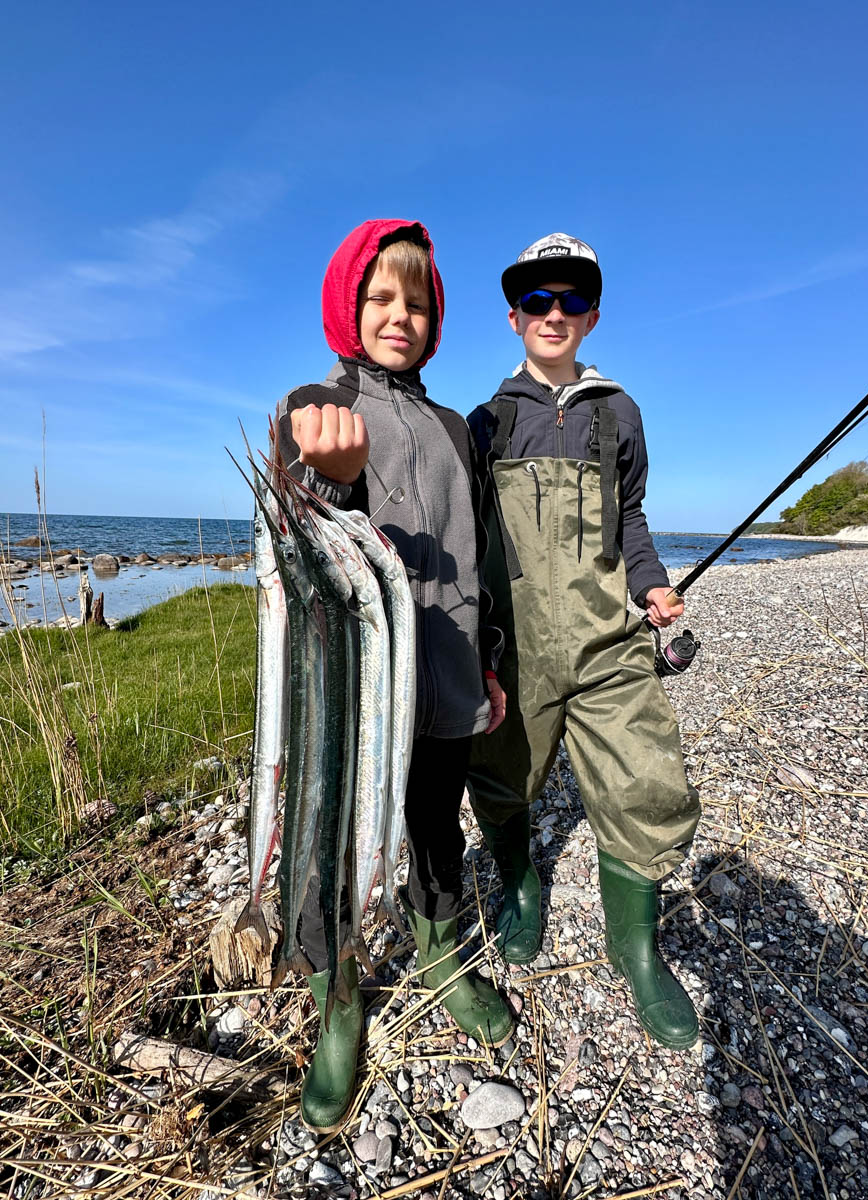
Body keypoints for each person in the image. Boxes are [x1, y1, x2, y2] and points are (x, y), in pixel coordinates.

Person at [276, 218, 512, 1133]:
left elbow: (480, 551)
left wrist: (490, 659)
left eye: (417, 301)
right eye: (380, 297)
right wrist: (329, 479)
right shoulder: (315, 402)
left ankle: (440, 947)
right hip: (354, 690)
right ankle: (339, 999)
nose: (399, 315)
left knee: (437, 823)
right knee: (336, 842)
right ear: (348, 305)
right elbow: (298, 544)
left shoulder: (455, 428)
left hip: (449, 671)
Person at [467, 233, 701, 1049]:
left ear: (593, 314)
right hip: (517, 646)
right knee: (502, 777)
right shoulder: (485, 422)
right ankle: (521, 886)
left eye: (570, 300)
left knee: (648, 783)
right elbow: (467, 537)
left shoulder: (620, 412)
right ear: (514, 317)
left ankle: (635, 948)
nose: (554, 313)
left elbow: (629, 520)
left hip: (610, 641)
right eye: (538, 300)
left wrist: (653, 584)